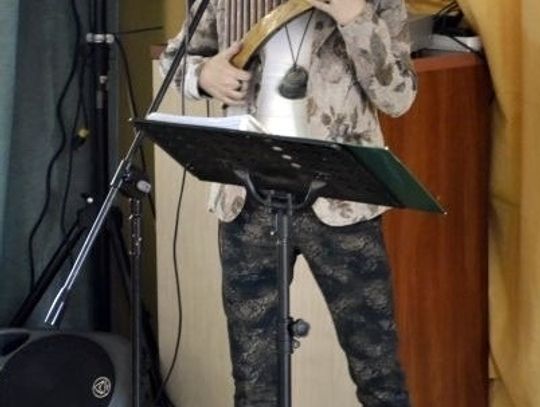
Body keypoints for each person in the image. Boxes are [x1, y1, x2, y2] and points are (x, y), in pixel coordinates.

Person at [160, 0, 417, 405]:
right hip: (248, 195)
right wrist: (203, 74)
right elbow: (175, 61)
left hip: (341, 199)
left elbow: (398, 97)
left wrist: (354, 16)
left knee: (378, 370)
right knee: (254, 380)